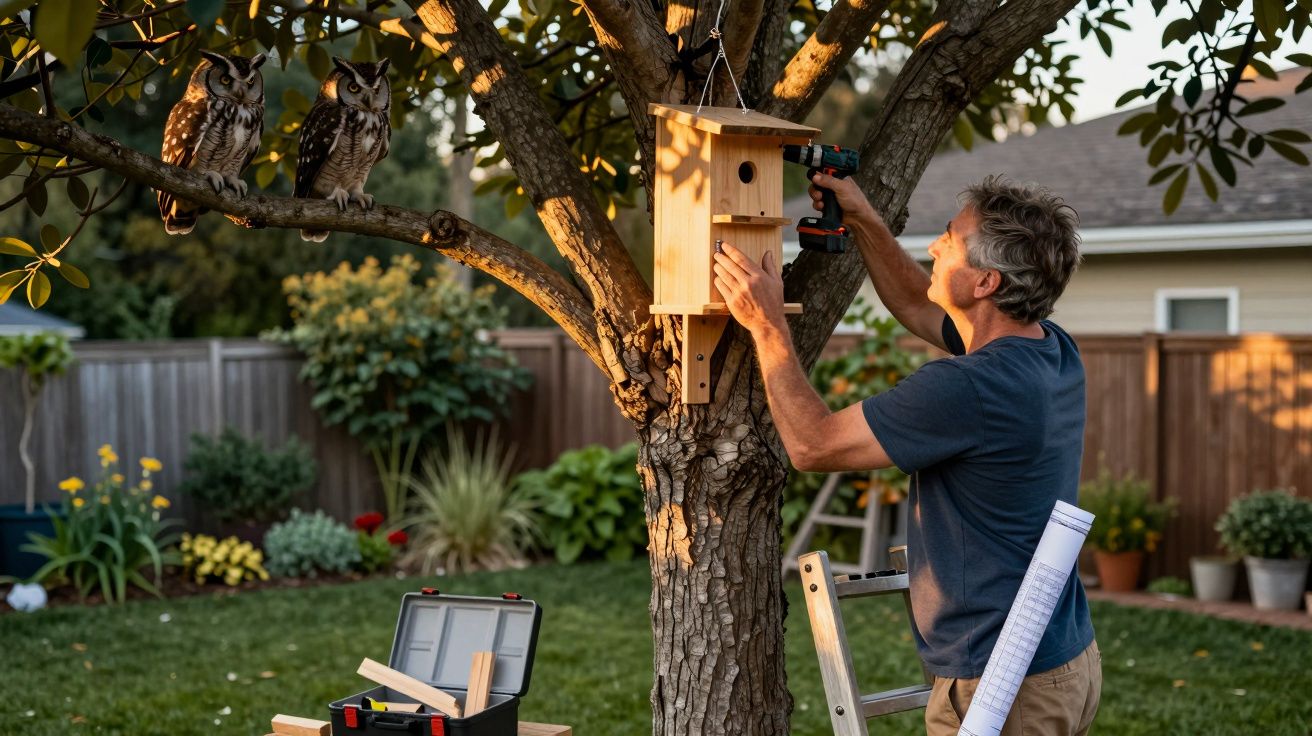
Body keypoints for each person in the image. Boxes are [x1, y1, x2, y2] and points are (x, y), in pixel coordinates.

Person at [712, 173, 1101, 736]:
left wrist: (766, 325)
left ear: (986, 281)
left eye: (950, 237)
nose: (936, 246)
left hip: (1003, 683)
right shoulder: (1050, 350)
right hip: (1062, 657)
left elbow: (812, 444)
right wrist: (865, 219)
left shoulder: (967, 388)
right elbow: (922, 309)